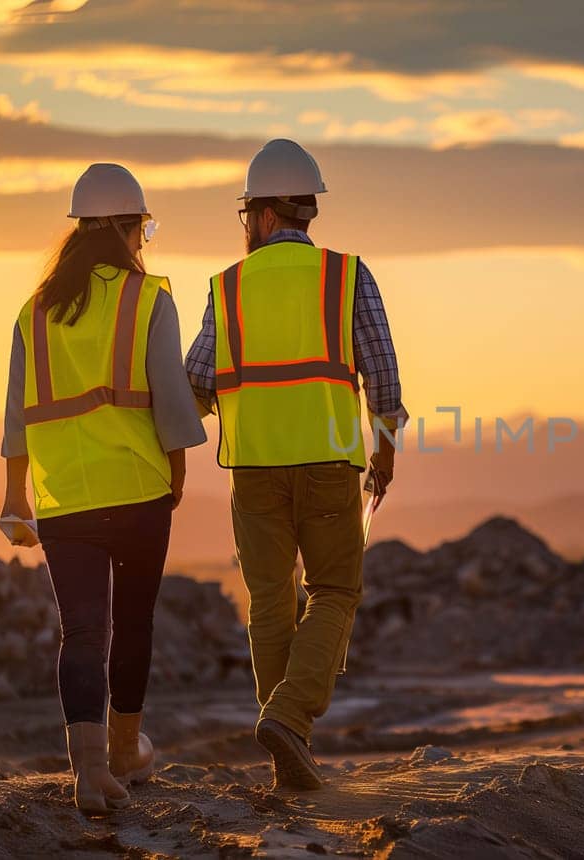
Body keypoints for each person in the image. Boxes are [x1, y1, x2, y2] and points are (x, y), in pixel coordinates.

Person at [185, 139, 406, 792]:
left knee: (270, 604)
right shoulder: (346, 277)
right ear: (305, 211)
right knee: (335, 592)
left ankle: (287, 745)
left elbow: (195, 383)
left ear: (261, 215)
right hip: (331, 467)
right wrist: (384, 454)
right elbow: (384, 377)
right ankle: (288, 717)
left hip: (253, 469)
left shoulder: (226, 287)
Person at [0, 163, 206, 814]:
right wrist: (176, 472)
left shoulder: (34, 313)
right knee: (134, 622)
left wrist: (15, 495)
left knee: (82, 632)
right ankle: (124, 752)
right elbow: (173, 400)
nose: (144, 240)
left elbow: (15, 414)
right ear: (125, 227)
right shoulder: (149, 300)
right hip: (139, 488)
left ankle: (88, 775)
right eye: (142, 227)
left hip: (65, 496)